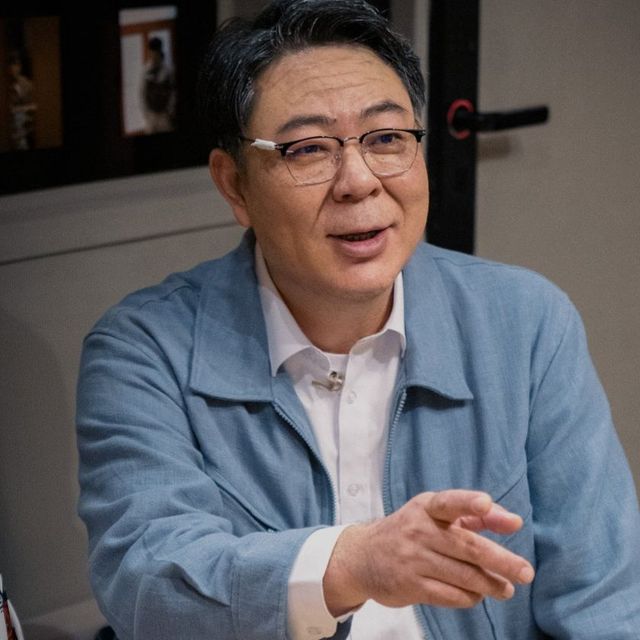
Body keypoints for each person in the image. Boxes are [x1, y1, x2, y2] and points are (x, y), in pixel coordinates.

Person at [76, 1, 640, 638]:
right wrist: (352, 564)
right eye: (308, 149)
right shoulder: (145, 350)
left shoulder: (527, 324)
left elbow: (604, 607)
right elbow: (147, 587)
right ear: (234, 185)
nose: (358, 181)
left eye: (386, 139)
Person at [140, 36, 175, 134]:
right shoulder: (146, 70)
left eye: (155, 53)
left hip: (164, 114)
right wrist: (146, 113)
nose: (154, 56)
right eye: (152, 53)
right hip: (151, 114)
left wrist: (170, 110)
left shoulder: (168, 70)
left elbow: (173, 91)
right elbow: (142, 93)